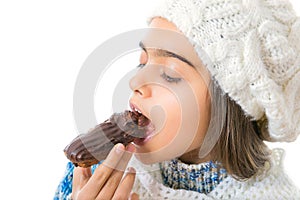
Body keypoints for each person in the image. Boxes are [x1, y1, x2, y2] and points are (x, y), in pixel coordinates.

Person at [54, 0, 300, 199]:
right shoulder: (96, 175)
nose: (135, 83)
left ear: (231, 104)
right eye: (142, 62)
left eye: (169, 75)